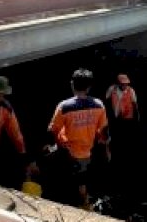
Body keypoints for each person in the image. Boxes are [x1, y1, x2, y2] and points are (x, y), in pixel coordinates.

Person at [47, 68, 109, 210]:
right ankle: (85, 205)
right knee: (82, 180)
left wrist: (54, 144)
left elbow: (51, 130)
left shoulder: (64, 106)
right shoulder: (99, 105)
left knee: (59, 178)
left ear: (72, 84)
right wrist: (106, 150)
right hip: (86, 153)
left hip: (66, 152)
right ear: (89, 87)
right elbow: (104, 132)